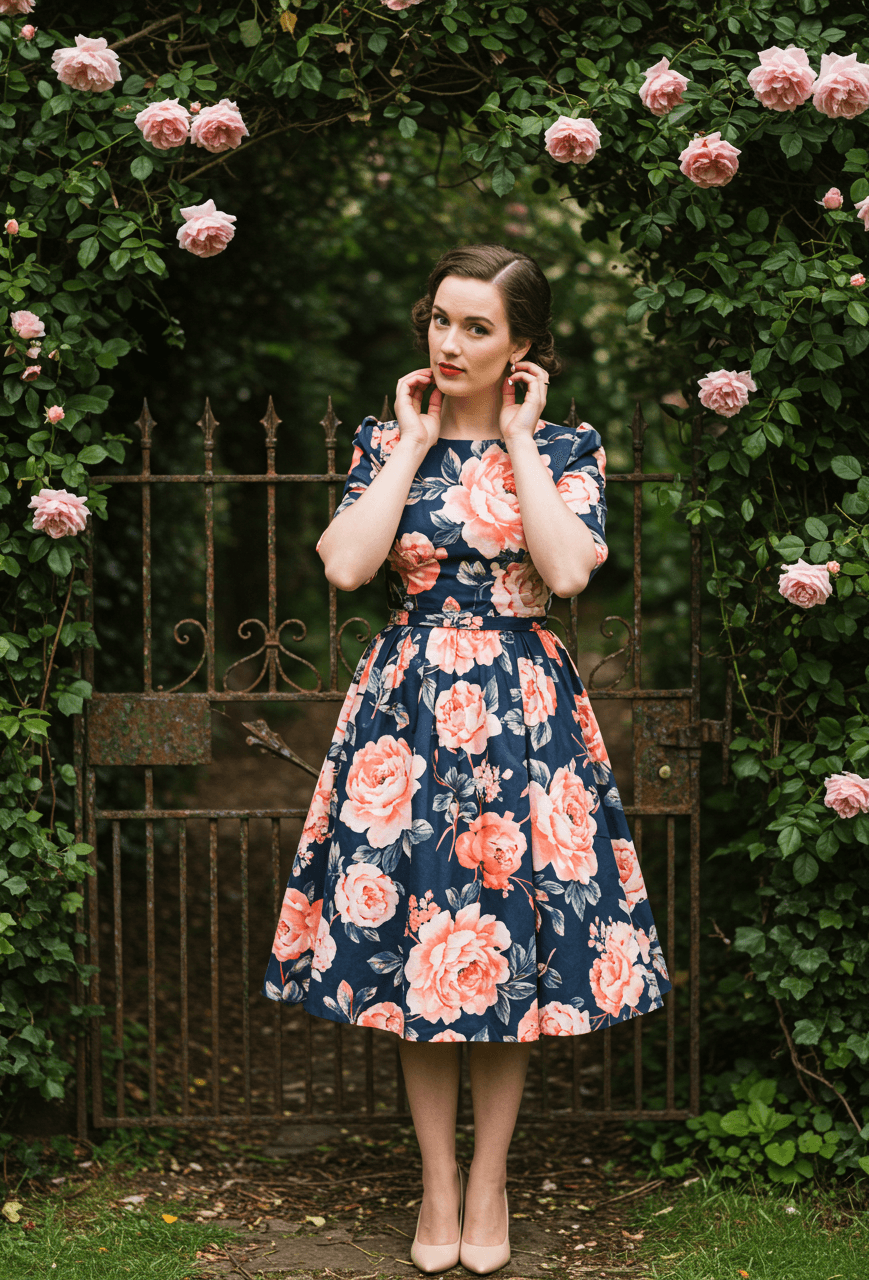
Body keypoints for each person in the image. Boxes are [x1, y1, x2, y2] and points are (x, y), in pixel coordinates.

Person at [263, 243, 672, 1274]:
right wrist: (407, 446)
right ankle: (435, 1187)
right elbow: (349, 563)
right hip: (404, 712)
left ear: (521, 347)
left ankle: (487, 1178)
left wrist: (522, 444)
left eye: (476, 327)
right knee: (421, 944)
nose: (449, 342)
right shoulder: (382, 438)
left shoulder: (567, 447)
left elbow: (568, 568)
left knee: (503, 941)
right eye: (440, 321)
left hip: (520, 712)